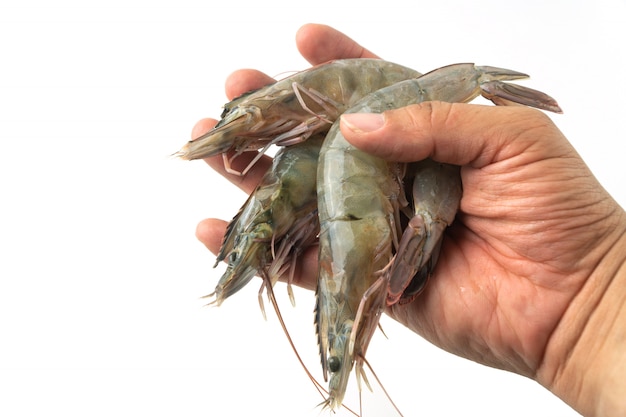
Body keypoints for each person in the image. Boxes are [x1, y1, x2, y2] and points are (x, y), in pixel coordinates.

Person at [191, 24, 626, 417]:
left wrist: (590, 296)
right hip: (380, 157)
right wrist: (588, 313)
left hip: (396, 146)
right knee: (329, 238)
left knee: (343, 248)